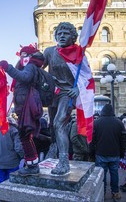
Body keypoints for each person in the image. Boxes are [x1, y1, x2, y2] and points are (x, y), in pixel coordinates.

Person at [42, 22, 82, 175]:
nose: (62, 36)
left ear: (73, 37)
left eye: (66, 33)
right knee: (53, 124)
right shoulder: (50, 52)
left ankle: (64, 161)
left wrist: (77, 88)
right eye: (59, 34)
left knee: (59, 123)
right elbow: (38, 70)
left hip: (67, 93)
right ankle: (53, 147)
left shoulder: (78, 53)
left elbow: (85, 76)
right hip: (53, 93)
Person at [0, 45, 44, 175]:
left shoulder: (30, 66)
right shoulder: (30, 66)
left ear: (30, 56)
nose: (22, 56)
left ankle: (32, 166)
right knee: (25, 135)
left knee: (24, 135)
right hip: (24, 105)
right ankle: (31, 164)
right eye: (21, 54)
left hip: (26, 105)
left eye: (25, 54)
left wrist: (8, 68)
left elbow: (24, 77)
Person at [89, 104, 126, 201]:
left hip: (101, 153)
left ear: (102, 112)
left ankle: (103, 191)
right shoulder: (119, 123)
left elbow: (92, 140)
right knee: (114, 174)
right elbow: (123, 140)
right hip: (115, 153)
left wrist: (91, 153)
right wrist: (122, 153)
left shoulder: (96, 123)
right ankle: (115, 192)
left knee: (102, 175)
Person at [0, 117, 24, 202]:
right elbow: (18, 148)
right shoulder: (13, 130)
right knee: (10, 185)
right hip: (12, 162)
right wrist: (23, 156)